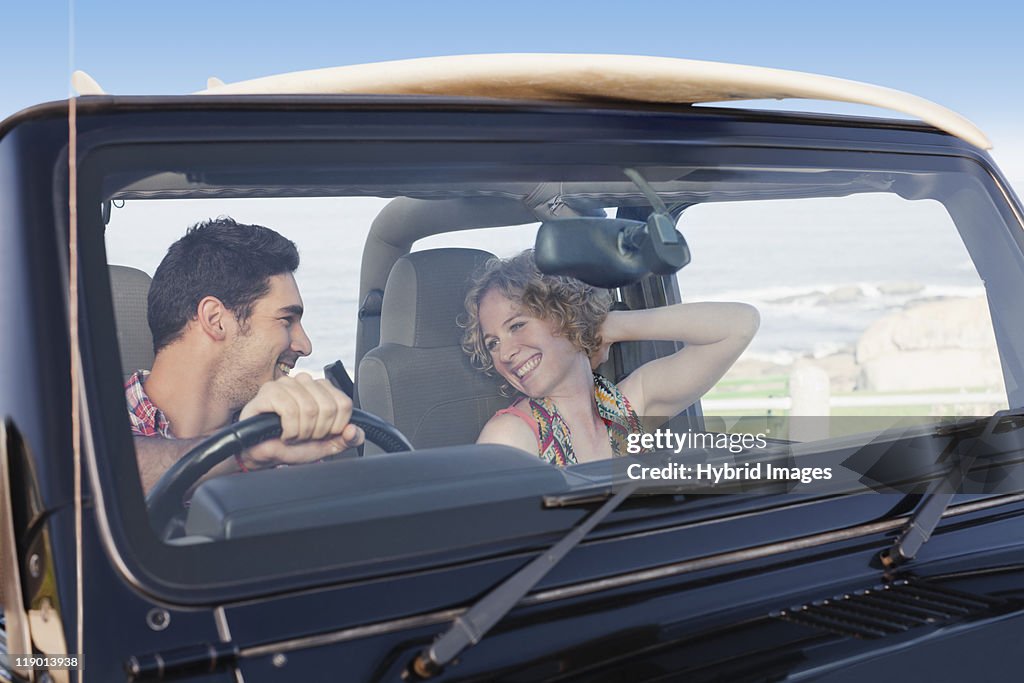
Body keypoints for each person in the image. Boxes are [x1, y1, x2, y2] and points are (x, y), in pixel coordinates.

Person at [127, 217, 363, 494]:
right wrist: (241, 452)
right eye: (286, 320)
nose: (305, 345)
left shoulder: (283, 446)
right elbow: (91, 472)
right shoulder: (83, 422)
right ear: (216, 320)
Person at [461, 250, 759, 466]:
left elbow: (740, 324)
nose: (505, 353)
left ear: (563, 313)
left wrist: (605, 325)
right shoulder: (511, 437)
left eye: (517, 326)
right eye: (492, 344)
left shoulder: (628, 406)